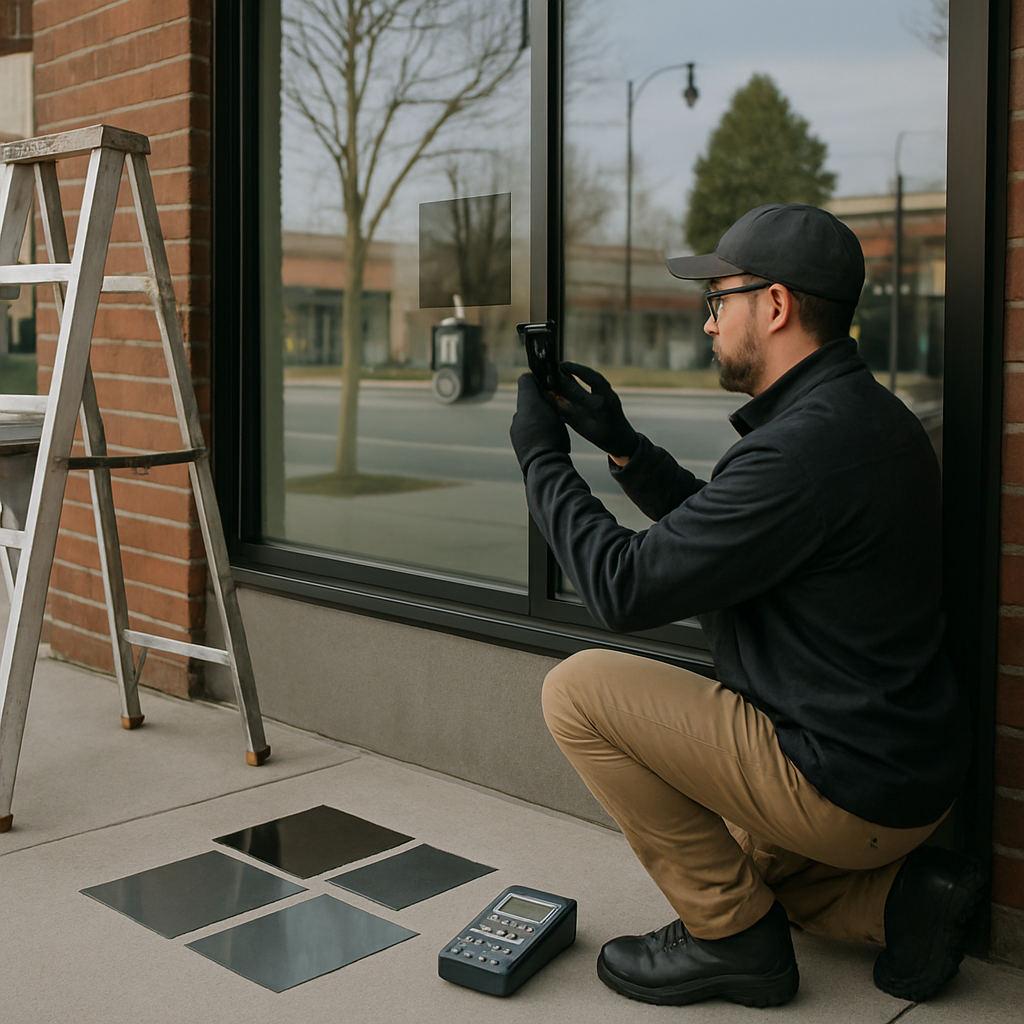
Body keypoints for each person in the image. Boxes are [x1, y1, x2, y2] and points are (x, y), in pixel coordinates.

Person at [509, 203, 982, 1008]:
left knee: (577, 690)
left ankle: (730, 940)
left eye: (719, 299)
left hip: (842, 783)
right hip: (908, 776)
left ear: (775, 304)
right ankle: (909, 898)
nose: (707, 323)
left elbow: (625, 587)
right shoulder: (865, 418)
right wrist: (622, 445)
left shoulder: (798, 450)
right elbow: (731, 532)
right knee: (747, 861)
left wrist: (541, 461)